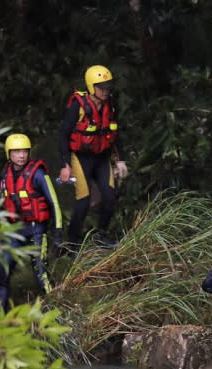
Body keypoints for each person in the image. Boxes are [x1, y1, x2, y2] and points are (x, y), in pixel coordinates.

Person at [58, 64, 129, 252]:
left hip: (102, 158)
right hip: (80, 158)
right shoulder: (78, 107)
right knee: (83, 199)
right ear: (91, 86)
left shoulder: (110, 105)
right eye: (101, 87)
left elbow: (115, 133)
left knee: (110, 196)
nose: (105, 91)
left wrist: (120, 160)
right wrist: (65, 164)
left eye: (108, 87)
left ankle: (101, 235)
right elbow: (63, 134)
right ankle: (72, 242)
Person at [0, 133, 63, 312]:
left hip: (35, 230)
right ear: (9, 154)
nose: (21, 155)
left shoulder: (38, 174)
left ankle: (59, 310)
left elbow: (54, 203)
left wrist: (58, 233)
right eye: (16, 151)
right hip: (14, 230)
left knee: (41, 273)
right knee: (2, 272)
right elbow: (1, 205)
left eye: (24, 151)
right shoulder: (5, 175)